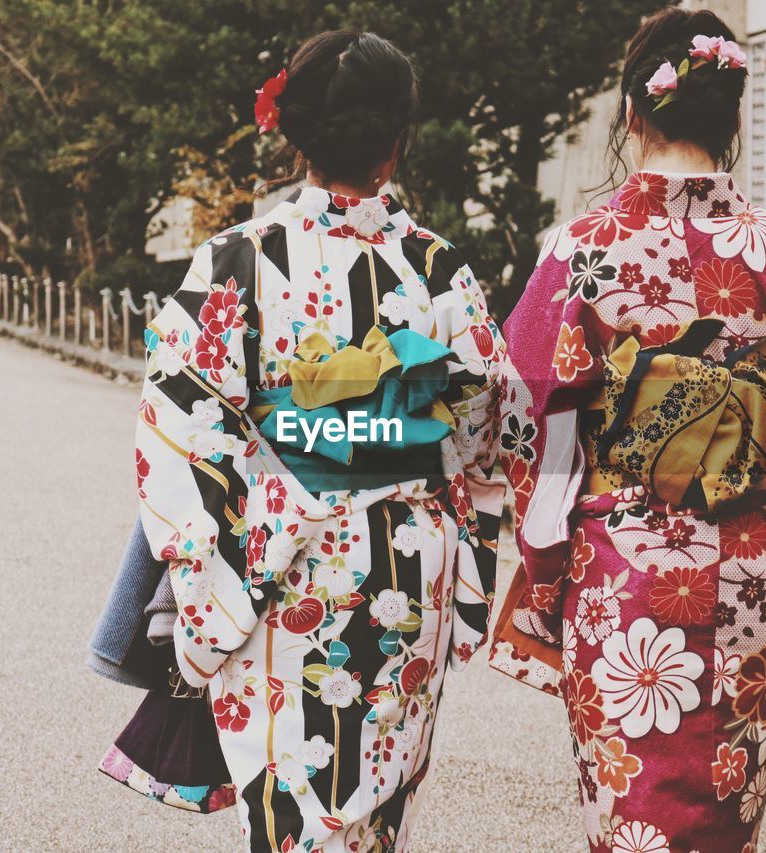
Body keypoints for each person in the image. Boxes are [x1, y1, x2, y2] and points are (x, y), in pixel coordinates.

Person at [131, 30, 507, 852]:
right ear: (398, 139)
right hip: (407, 570)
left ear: (293, 132)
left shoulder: (239, 260)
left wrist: (208, 587)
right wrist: (458, 533)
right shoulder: (439, 271)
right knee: (375, 816)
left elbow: (182, 428)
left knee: (290, 817)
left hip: (276, 570)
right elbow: (484, 426)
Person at [488, 8, 766, 851]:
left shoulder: (582, 248)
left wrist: (545, 567)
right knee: (727, 819)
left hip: (624, 571)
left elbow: (524, 403)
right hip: (754, 566)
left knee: (631, 824)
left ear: (631, 112)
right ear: (732, 120)